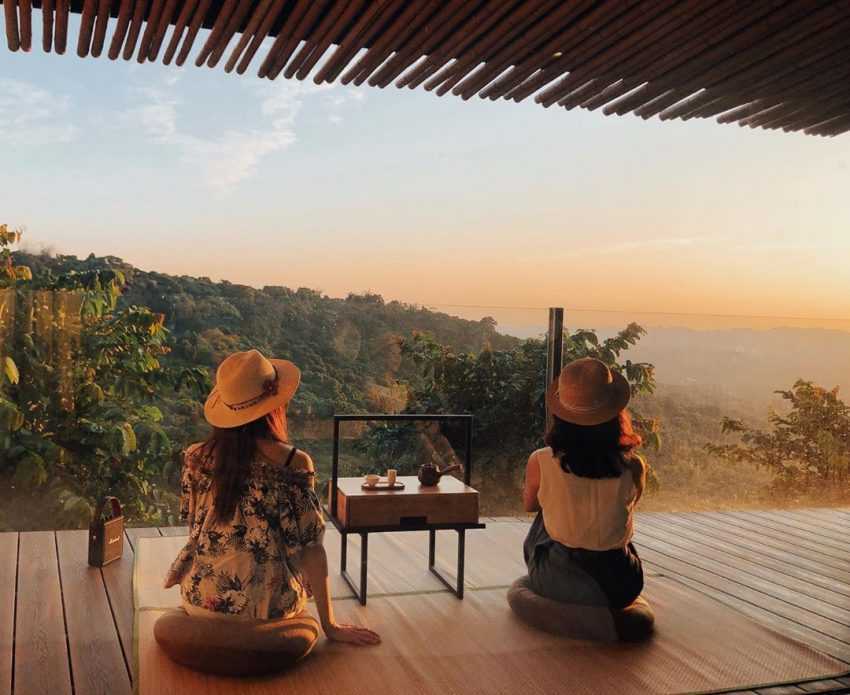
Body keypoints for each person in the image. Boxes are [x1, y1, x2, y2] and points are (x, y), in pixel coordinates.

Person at [163, 349, 380, 650]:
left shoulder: (196, 457)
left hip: (201, 600)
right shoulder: (293, 462)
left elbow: (194, 526)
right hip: (268, 610)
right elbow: (311, 548)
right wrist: (330, 625)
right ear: (274, 406)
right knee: (298, 606)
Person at [522, 357, 649, 616]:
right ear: (615, 413)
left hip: (556, 582)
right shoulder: (634, 465)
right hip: (621, 586)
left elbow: (529, 505)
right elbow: (631, 505)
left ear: (561, 414)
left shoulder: (541, 460)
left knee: (543, 512)